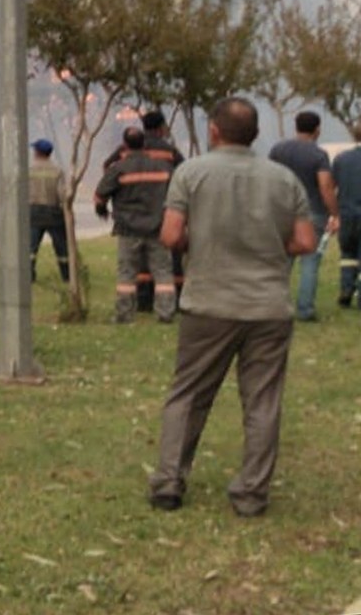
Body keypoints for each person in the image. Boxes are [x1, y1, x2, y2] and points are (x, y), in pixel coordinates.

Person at [149, 96, 316, 517]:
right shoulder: (284, 180)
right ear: (256, 134)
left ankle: (169, 482)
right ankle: (252, 494)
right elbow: (305, 242)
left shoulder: (191, 173)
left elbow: (170, 236)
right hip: (268, 307)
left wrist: (198, 242)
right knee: (262, 401)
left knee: (188, 394)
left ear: (214, 131)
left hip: (209, 302)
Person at [93, 127, 176, 323]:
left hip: (128, 229)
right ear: (144, 144)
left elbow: (99, 197)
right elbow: (176, 195)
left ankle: (124, 314)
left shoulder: (119, 169)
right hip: (157, 227)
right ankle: (165, 313)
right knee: (163, 271)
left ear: (125, 144)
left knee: (127, 273)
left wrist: (103, 211)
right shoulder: (163, 168)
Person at [267, 110, 338, 321]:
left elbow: (269, 178)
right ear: (317, 130)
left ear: (296, 126)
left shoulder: (278, 150)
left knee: (282, 261)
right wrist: (334, 212)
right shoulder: (318, 155)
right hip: (312, 212)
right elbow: (325, 185)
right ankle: (305, 309)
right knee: (310, 262)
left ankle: (275, 306)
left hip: (281, 211)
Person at [27, 139, 69, 283]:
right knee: (61, 247)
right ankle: (66, 276)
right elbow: (62, 194)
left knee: (30, 248)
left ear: (38, 152)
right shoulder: (57, 171)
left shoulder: (29, 170)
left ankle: (29, 277)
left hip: (34, 212)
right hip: (54, 213)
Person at [334, 140, 361, 310]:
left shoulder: (341, 159)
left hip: (347, 214)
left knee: (348, 254)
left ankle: (346, 289)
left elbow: (333, 184)